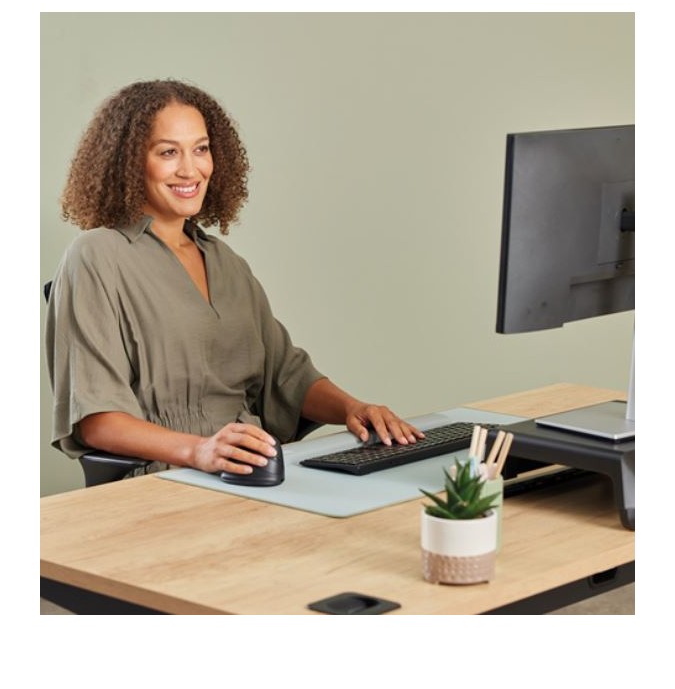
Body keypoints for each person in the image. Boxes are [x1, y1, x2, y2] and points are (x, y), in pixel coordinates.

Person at [46, 79, 424, 479]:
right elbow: (97, 421)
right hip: (164, 477)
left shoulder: (227, 263)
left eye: (201, 149)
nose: (190, 169)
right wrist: (200, 451)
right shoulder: (96, 255)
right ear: (129, 162)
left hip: (253, 468)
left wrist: (353, 408)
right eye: (168, 152)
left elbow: (288, 376)